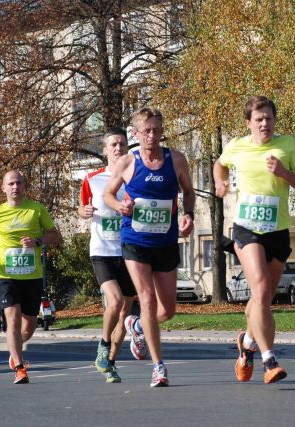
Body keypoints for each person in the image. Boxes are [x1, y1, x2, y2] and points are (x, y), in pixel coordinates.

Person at [213, 96, 295, 384]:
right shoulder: (237, 146)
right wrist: (220, 182)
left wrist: (283, 172)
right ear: (248, 123)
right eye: (258, 119)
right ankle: (269, 359)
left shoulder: (288, 145)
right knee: (259, 289)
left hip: (278, 230)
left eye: (269, 118)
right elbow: (219, 165)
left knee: (263, 297)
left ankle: (247, 343)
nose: (265, 123)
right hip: (247, 228)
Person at [103, 107, 195, 387]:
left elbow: (188, 192)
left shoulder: (176, 160)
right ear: (136, 133)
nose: (152, 135)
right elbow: (108, 194)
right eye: (147, 130)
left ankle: (137, 325)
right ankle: (159, 367)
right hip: (136, 240)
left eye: (157, 130)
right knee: (147, 299)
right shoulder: (128, 163)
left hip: (165, 240)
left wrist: (188, 214)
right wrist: (120, 205)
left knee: (168, 310)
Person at [0, 171, 60, 384]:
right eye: (11, 183)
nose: (15, 187)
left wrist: (38, 241)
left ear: (24, 186)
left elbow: (54, 234)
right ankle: (20, 368)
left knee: (29, 327)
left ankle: (15, 351)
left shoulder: (36, 209)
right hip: (6, 275)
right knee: (12, 319)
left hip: (32, 275)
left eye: (19, 183)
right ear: (3, 188)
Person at [78, 127, 137, 383]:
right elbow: (81, 207)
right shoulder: (92, 179)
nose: (118, 148)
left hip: (129, 251)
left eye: (122, 143)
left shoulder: (135, 178)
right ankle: (103, 346)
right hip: (102, 251)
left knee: (124, 313)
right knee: (113, 302)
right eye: (113, 144)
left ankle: (110, 361)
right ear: (105, 150)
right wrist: (84, 212)